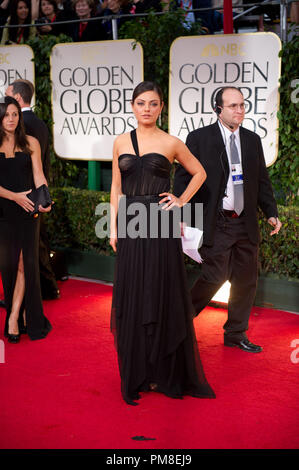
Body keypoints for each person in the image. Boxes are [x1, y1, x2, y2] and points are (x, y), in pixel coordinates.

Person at [110, 80, 215, 405]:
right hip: (130, 221)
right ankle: (139, 370)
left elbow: (200, 173)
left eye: (153, 103)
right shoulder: (120, 142)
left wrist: (181, 200)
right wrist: (113, 227)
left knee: (159, 290)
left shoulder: (171, 142)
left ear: (161, 107)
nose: (147, 109)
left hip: (159, 220)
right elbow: (116, 187)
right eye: (141, 103)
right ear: (132, 105)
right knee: (133, 293)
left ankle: (162, 370)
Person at [174, 86, 282, 353]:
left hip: (245, 223)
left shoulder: (252, 140)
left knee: (246, 280)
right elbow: (183, 179)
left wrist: (270, 212)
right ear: (218, 109)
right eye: (233, 106)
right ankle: (178, 323)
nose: (240, 111)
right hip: (216, 221)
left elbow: (261, 181)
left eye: (242, 105)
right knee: (213, 275)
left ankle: (235, 333)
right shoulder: (199, 138)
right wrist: (181, 215)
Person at [0, 96, 52, 343]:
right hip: (4, 211)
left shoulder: (30, 142)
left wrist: (45, 198)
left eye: (15, 114)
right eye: (6, 114)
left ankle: (13, 318)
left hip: (28, 209)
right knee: (8, 265)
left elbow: (39, 174)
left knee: (24, 263)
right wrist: (14, 197)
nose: (11, 119)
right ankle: (16, 314)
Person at [5, 79, 60, 301]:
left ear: (18, 100)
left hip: (24, 197)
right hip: (32, 194)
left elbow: (32, 166)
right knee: (36, 245)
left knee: (25, 252)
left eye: (8, 97)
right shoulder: (40, 123)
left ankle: (28, 297)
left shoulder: (24, 127)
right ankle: (45, 290)